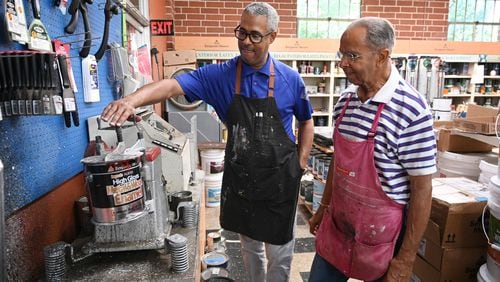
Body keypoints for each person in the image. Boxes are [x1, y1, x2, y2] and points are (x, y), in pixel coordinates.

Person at [101, 2, 314, 281]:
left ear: (272, 37)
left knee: (280, 256)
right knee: (250, 251)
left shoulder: (291, 80)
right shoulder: (221, 76)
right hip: (244, 184)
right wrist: (131, 100)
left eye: (255, 36)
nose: (246, 42)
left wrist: (301, 161)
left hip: (280, 182)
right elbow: (171, 86)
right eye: (241, 33)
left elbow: (306, 120)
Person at [308, 17, 436, 282]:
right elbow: (339, 161)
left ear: (382, 56)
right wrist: (323, 207)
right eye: (341, 54)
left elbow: (422, 191)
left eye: (352, 55)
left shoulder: (412, 111)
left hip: (381, 239)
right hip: (338, 227)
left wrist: (406, 259)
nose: (342, 63)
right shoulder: (345, 102)